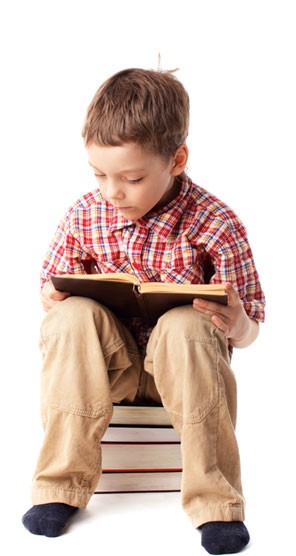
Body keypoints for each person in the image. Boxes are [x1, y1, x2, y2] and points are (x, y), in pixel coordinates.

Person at [22, 68, 265, 555]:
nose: (112, 191)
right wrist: (53, 299)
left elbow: (250, 329)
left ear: (177, 160)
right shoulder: (85, 214)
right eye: (99, 174)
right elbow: (49, 294)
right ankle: (60, 487)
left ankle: (215, 503)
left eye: (132, 178)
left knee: (185, 325)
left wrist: (237, 322)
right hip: (106, 371)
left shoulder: (215, 223)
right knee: (70, 318)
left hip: (182, 374)